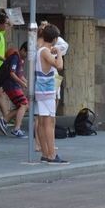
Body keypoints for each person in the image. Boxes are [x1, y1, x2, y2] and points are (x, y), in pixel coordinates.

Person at [35, 24, 68, 164]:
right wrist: (59, 53)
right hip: (47, 90)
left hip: (40, 89)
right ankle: (52, 155)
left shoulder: (40, 50)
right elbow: (59, 66)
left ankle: (45, 153)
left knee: (42, 123)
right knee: (50, 123)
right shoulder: (45, 52)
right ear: (54, 40)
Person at [0, 43, 29, 138]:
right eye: (27, 53)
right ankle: (16, 129)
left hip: (13, 85)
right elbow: (12, 74)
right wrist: (21, 83)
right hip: (12, 86)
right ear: (23, 50)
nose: (28, 56)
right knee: (24, 104)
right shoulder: (15, 58)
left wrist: (25, 81)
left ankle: (5, 120)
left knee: (23, 105)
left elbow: (18, 74)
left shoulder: (20, 60)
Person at [0, 12, 12, 123]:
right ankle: (6, 117)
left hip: (0, 66)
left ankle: (7, 116)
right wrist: (4, 59)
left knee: (1, 92)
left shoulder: (0, 31)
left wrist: (5, 16)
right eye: (4, 24)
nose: (6, 25)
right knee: (0, 92)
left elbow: (11, 24)